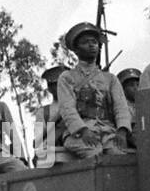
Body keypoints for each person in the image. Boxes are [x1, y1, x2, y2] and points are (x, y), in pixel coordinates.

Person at [57, 23, 133, 159]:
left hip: (108, 131)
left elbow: (121, 107)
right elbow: (67, 108)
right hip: (79, 133)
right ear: (76, 50)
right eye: (85, 42)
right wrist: (83, 130)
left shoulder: (110, 79)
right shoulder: (67, 78)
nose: (91, 45)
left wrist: (122, 131)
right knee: (94, 153)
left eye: (94, 42)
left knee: (120, 158)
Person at [33, 65, 68, 161]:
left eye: (57, 83)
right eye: (51, 84)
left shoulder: (76, 105)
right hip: (54, 153)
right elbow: (38, 138)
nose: (55, 87)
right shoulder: (43, 112)